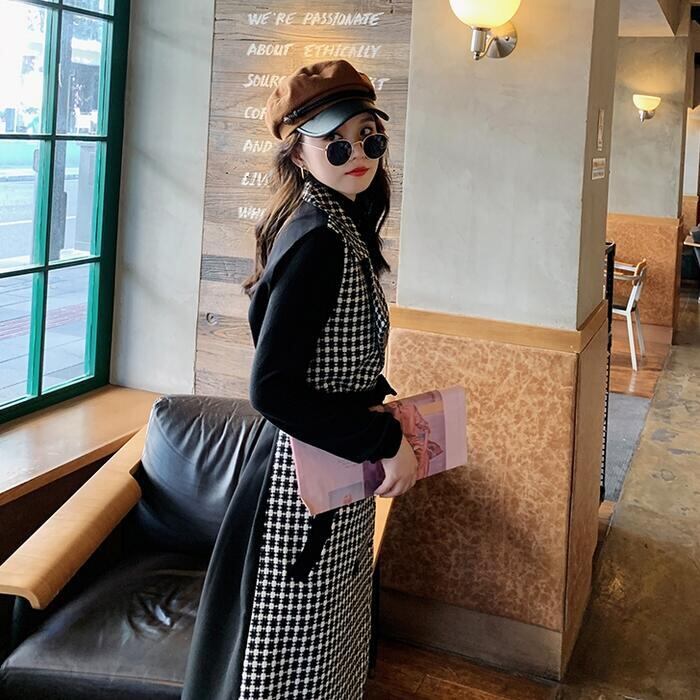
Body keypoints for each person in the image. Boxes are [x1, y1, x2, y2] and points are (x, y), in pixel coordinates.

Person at [181, 59, 418, 700]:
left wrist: (376, 414)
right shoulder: (319, 238)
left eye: (369, 137)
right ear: (298, 152)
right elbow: (272, 389)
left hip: (330, 470)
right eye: (334, 144)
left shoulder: (340, 221)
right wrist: (383, 441)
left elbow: (325, 364)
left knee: (328, 648)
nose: (357, 155)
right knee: (293, 663)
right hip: (302, 485)